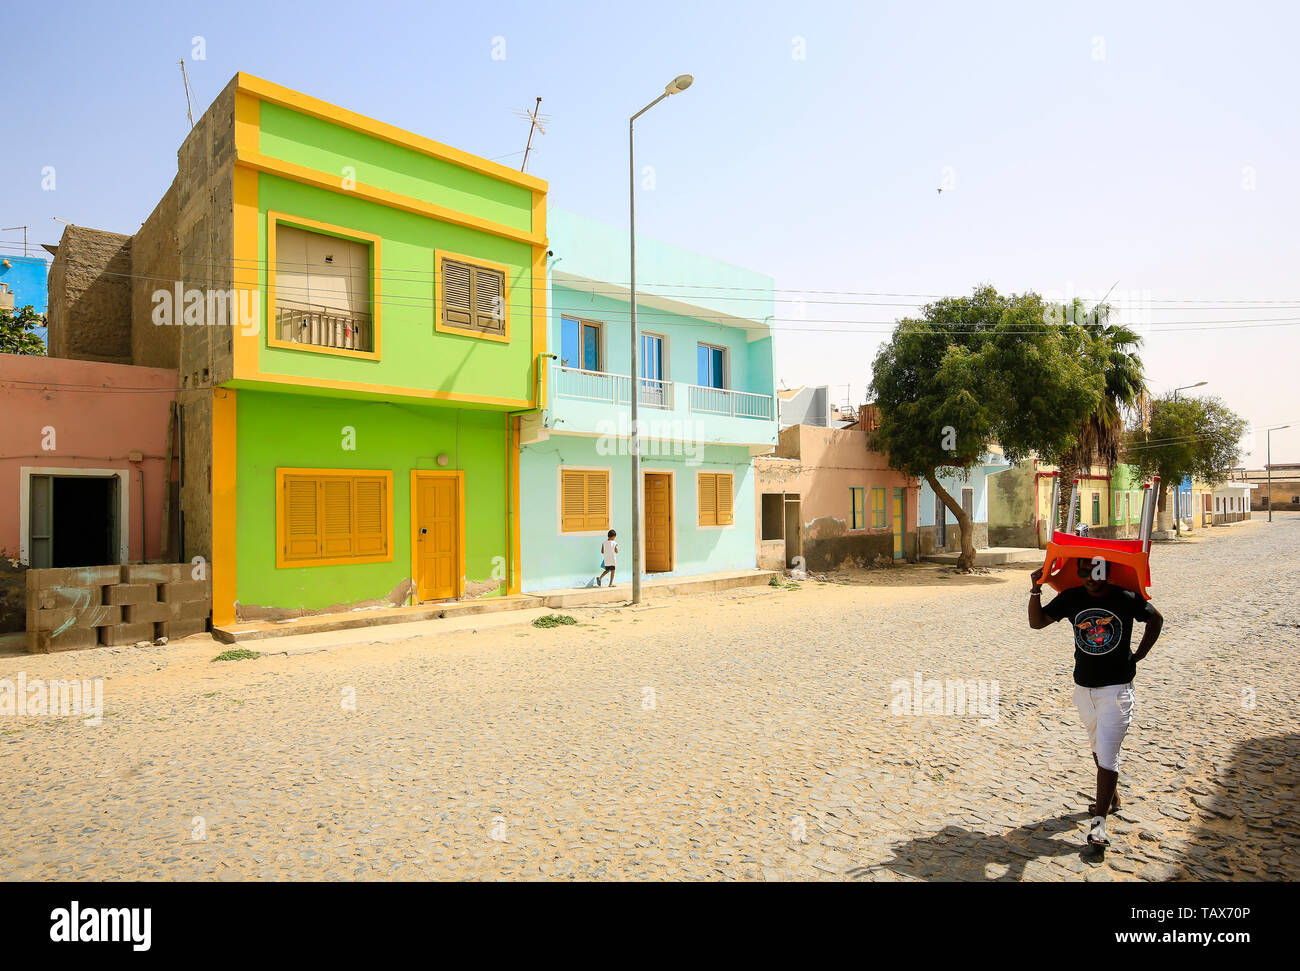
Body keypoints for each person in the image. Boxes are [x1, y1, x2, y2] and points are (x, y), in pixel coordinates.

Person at [1028, 557, 1163, 848]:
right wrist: (1035, 589)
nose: (1090, 578)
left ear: (1108, 573)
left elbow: (1156, 619)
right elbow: (1037, 623)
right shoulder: (1071, 598)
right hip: (1083, 690)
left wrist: (1140, 653)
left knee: (1108, 754)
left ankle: (1099, 825)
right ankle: (1112, 798)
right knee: (1097, 748)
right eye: (1084, 572)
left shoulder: (1125, 598)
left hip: (1116, 691)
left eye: (1096, 572)